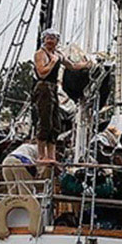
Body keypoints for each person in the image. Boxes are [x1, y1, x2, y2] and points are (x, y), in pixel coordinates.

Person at [33, 29, 88, 174]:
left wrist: (87, 65)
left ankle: (51, 155)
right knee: (45, 121)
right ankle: (41, 155)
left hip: (53, 88)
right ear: (44, 39)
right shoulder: (41, 54)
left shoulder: (58, 54)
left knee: (55, 123)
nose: (50, 41)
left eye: (53, 38)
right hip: (43, 87)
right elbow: (41, 73)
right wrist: (52, 62)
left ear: (57, 41)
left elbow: (71, 66)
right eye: (48, 38)